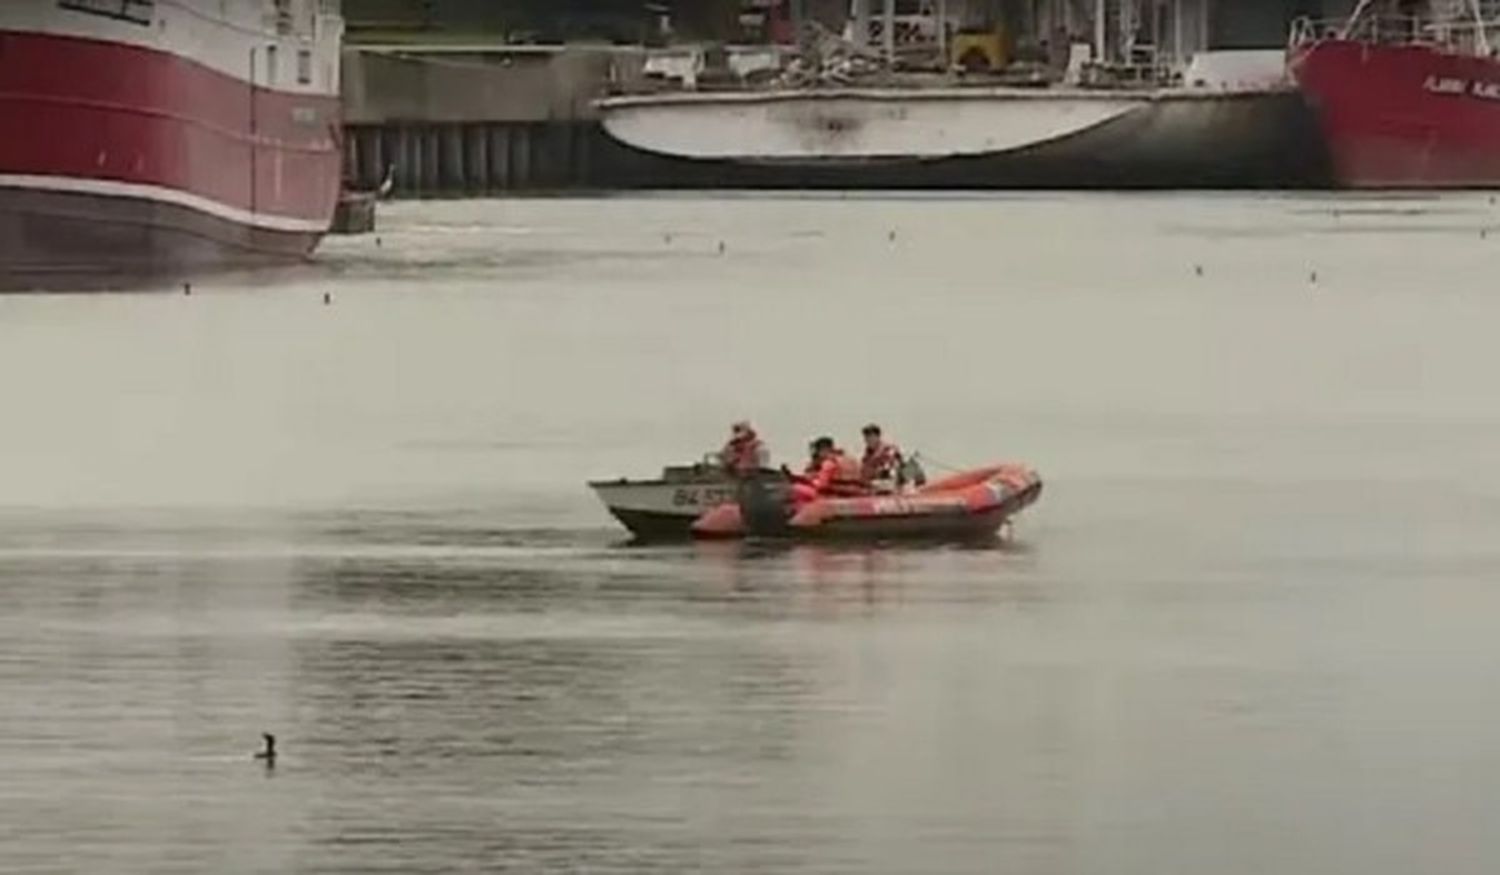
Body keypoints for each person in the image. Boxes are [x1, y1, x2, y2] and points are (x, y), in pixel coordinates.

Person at [787, 436, 866, 505]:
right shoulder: (849, 459)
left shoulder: (829, 463)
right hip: (851, 493)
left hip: (831, 496)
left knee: (796, 488)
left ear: (823, 450)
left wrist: (809, 480)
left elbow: (821, 485)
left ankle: (798, 514)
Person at [859, 423, 904, 489]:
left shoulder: (888, 450)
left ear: (877, 437)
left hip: (890, 483)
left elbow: (892, 470)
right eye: (866, 437)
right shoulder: (866, 456)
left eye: (871, 436)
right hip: (872, 485)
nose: (868, 439)